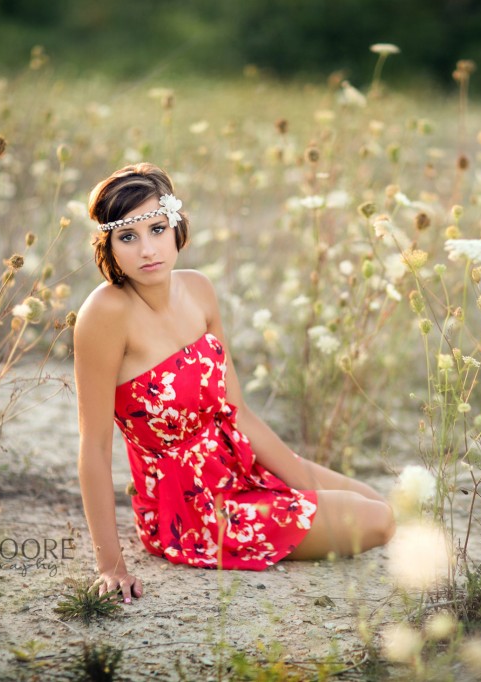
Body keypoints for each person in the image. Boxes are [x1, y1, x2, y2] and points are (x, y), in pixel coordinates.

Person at [74, 163, 395, 602]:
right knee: (378, 523)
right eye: (128, 237)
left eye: (157, 229)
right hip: (192, 509)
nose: (147, 249)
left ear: (176, 228)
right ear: (109, 245)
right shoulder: (104, 314)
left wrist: (301, 482)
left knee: (379, 505)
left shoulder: (199, 290)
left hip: (239, 466)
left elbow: (238, 412)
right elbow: (93, 446)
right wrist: (111, 567)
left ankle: (303, 500)